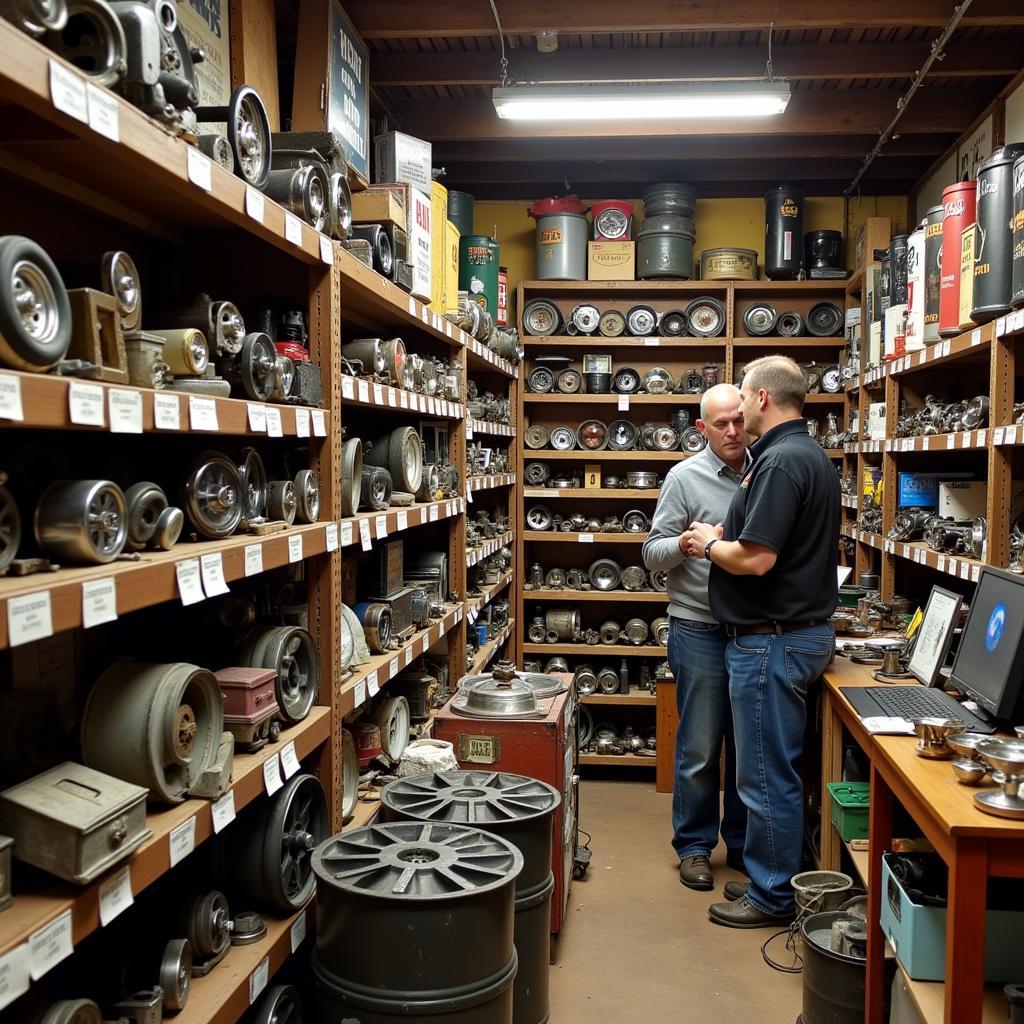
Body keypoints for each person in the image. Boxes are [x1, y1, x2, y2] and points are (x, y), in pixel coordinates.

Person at [682, 355, 839, 929]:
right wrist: (731, 535)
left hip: (770, 641)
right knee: (777, 767)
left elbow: (758, 558)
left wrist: (707, 544)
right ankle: (775, 879)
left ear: (763, 400)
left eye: (743, 399)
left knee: (766, 773)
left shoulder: (777, 461)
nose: (738, 411)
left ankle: (772, 896)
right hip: (792, 635)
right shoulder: (809, 455)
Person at [642, 383, 749, 892]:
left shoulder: (765, 469)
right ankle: (695, 846)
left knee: (747, 747)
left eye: (738, 421)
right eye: (720, 424)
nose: (732, 432)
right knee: (702, 745)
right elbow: (650, 552)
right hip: (699, 627)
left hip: (752, 631)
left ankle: (744, 845)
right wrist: (684, 544)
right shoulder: (683, 478)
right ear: (701, 429)